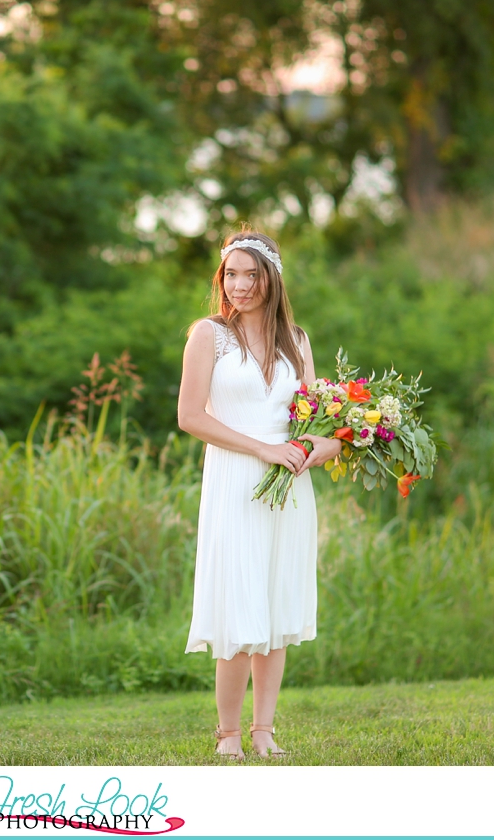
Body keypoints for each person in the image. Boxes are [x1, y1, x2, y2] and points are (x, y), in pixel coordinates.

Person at [178, 233, 342, 760]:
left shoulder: (297, 339)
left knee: (275, 608)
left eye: (251, 275)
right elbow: (191, 417)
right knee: (240, 605)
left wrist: (321, 446)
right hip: (234, 482)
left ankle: (264, 729)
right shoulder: (209, 335)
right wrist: (266, 450)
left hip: (289, 492)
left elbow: (319, 422)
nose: (240, 285)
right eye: (231, 274)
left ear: (272, 279)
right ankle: (228, 734)